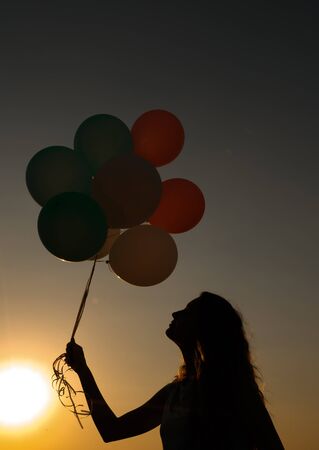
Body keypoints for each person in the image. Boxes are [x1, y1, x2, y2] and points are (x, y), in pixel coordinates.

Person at [66, 291, 285, 449]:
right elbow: (112, 430)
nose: (175, 313)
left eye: (187, 312)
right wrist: (83, 371)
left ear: (206, 328)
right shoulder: (174, 393)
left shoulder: (234, 390)